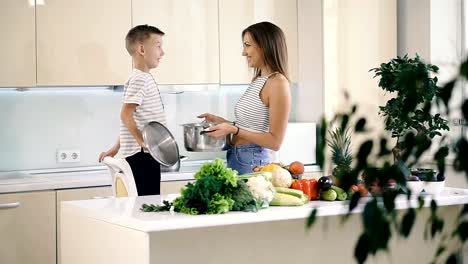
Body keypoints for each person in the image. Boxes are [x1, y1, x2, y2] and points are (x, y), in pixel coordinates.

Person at [198, 21, 291, 174]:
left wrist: (234, 129)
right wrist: (221, 121)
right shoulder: (259, 80)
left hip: (253, 160)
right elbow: (249, 126)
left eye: (247, 45)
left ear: (264, 45)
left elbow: (275, 142)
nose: (243, 52)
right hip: (237, 156)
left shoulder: (278, 83)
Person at [98, 24, 166, 196]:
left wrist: (115, 147)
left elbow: (132, 118)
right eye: (158, 46)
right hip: (142, 156)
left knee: (144, 207)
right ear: (142, 49)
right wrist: (143, 143)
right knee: (147, 209)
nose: (162, 52)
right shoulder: (140, 79)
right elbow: (125, 114)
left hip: (143, 154)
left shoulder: (143, 78)